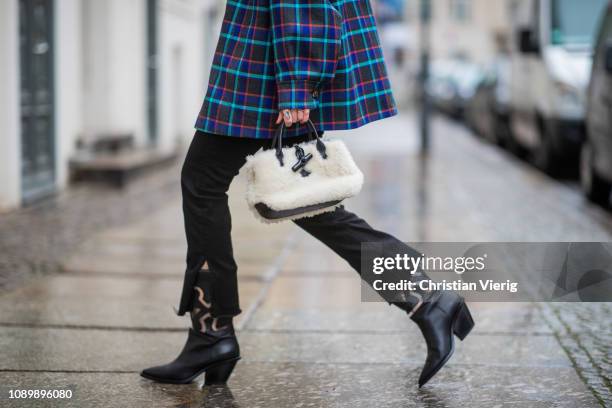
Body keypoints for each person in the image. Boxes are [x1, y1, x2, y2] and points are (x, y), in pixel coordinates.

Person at [140, 0, 474, 389]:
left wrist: (297, 84)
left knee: (204, 182)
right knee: (304, 200)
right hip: (271, 53)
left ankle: (212, 335)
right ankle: (426, 298)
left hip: (268, 60)